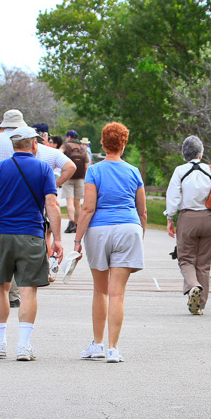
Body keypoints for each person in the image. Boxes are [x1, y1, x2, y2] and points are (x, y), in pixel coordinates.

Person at [0, 126, 64, 361]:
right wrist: (57, 239)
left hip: (2, 234)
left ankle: (0, 342)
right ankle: (24, 346)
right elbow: (52, 205)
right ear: (34, 144)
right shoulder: (44, 169)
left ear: (14, 145)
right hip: (32, 235)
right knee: (28, 291)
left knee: (0, 287)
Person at [73, 122, 147, 363]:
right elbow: (142, 211)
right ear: (123, 144)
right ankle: (114, 349)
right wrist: (140, 236)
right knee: (118, 295)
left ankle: (97, 345)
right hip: (128, 228)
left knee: (100, 291)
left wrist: (77, 239)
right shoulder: (134, 172)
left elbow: (88, 208)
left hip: (100, 231)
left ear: (103, 144)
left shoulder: (94, 171)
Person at [164, 135, 211, 315]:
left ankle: (193, 286)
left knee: (186, 259)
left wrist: (170, 217)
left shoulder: (180, 171)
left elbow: (173, 196)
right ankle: (200, 305)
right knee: (204, 263)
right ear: (201, 153)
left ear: (184, 154)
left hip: (189, 218)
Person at [59, 134, 89, 234]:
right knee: (77, 202)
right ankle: (77, 224)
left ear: (69, 137)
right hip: (80, 178)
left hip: (68, 176)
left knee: (70, 201)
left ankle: (71, 222)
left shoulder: (65, 146)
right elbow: (86, 163)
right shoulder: (82, 148)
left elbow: (59, 155)